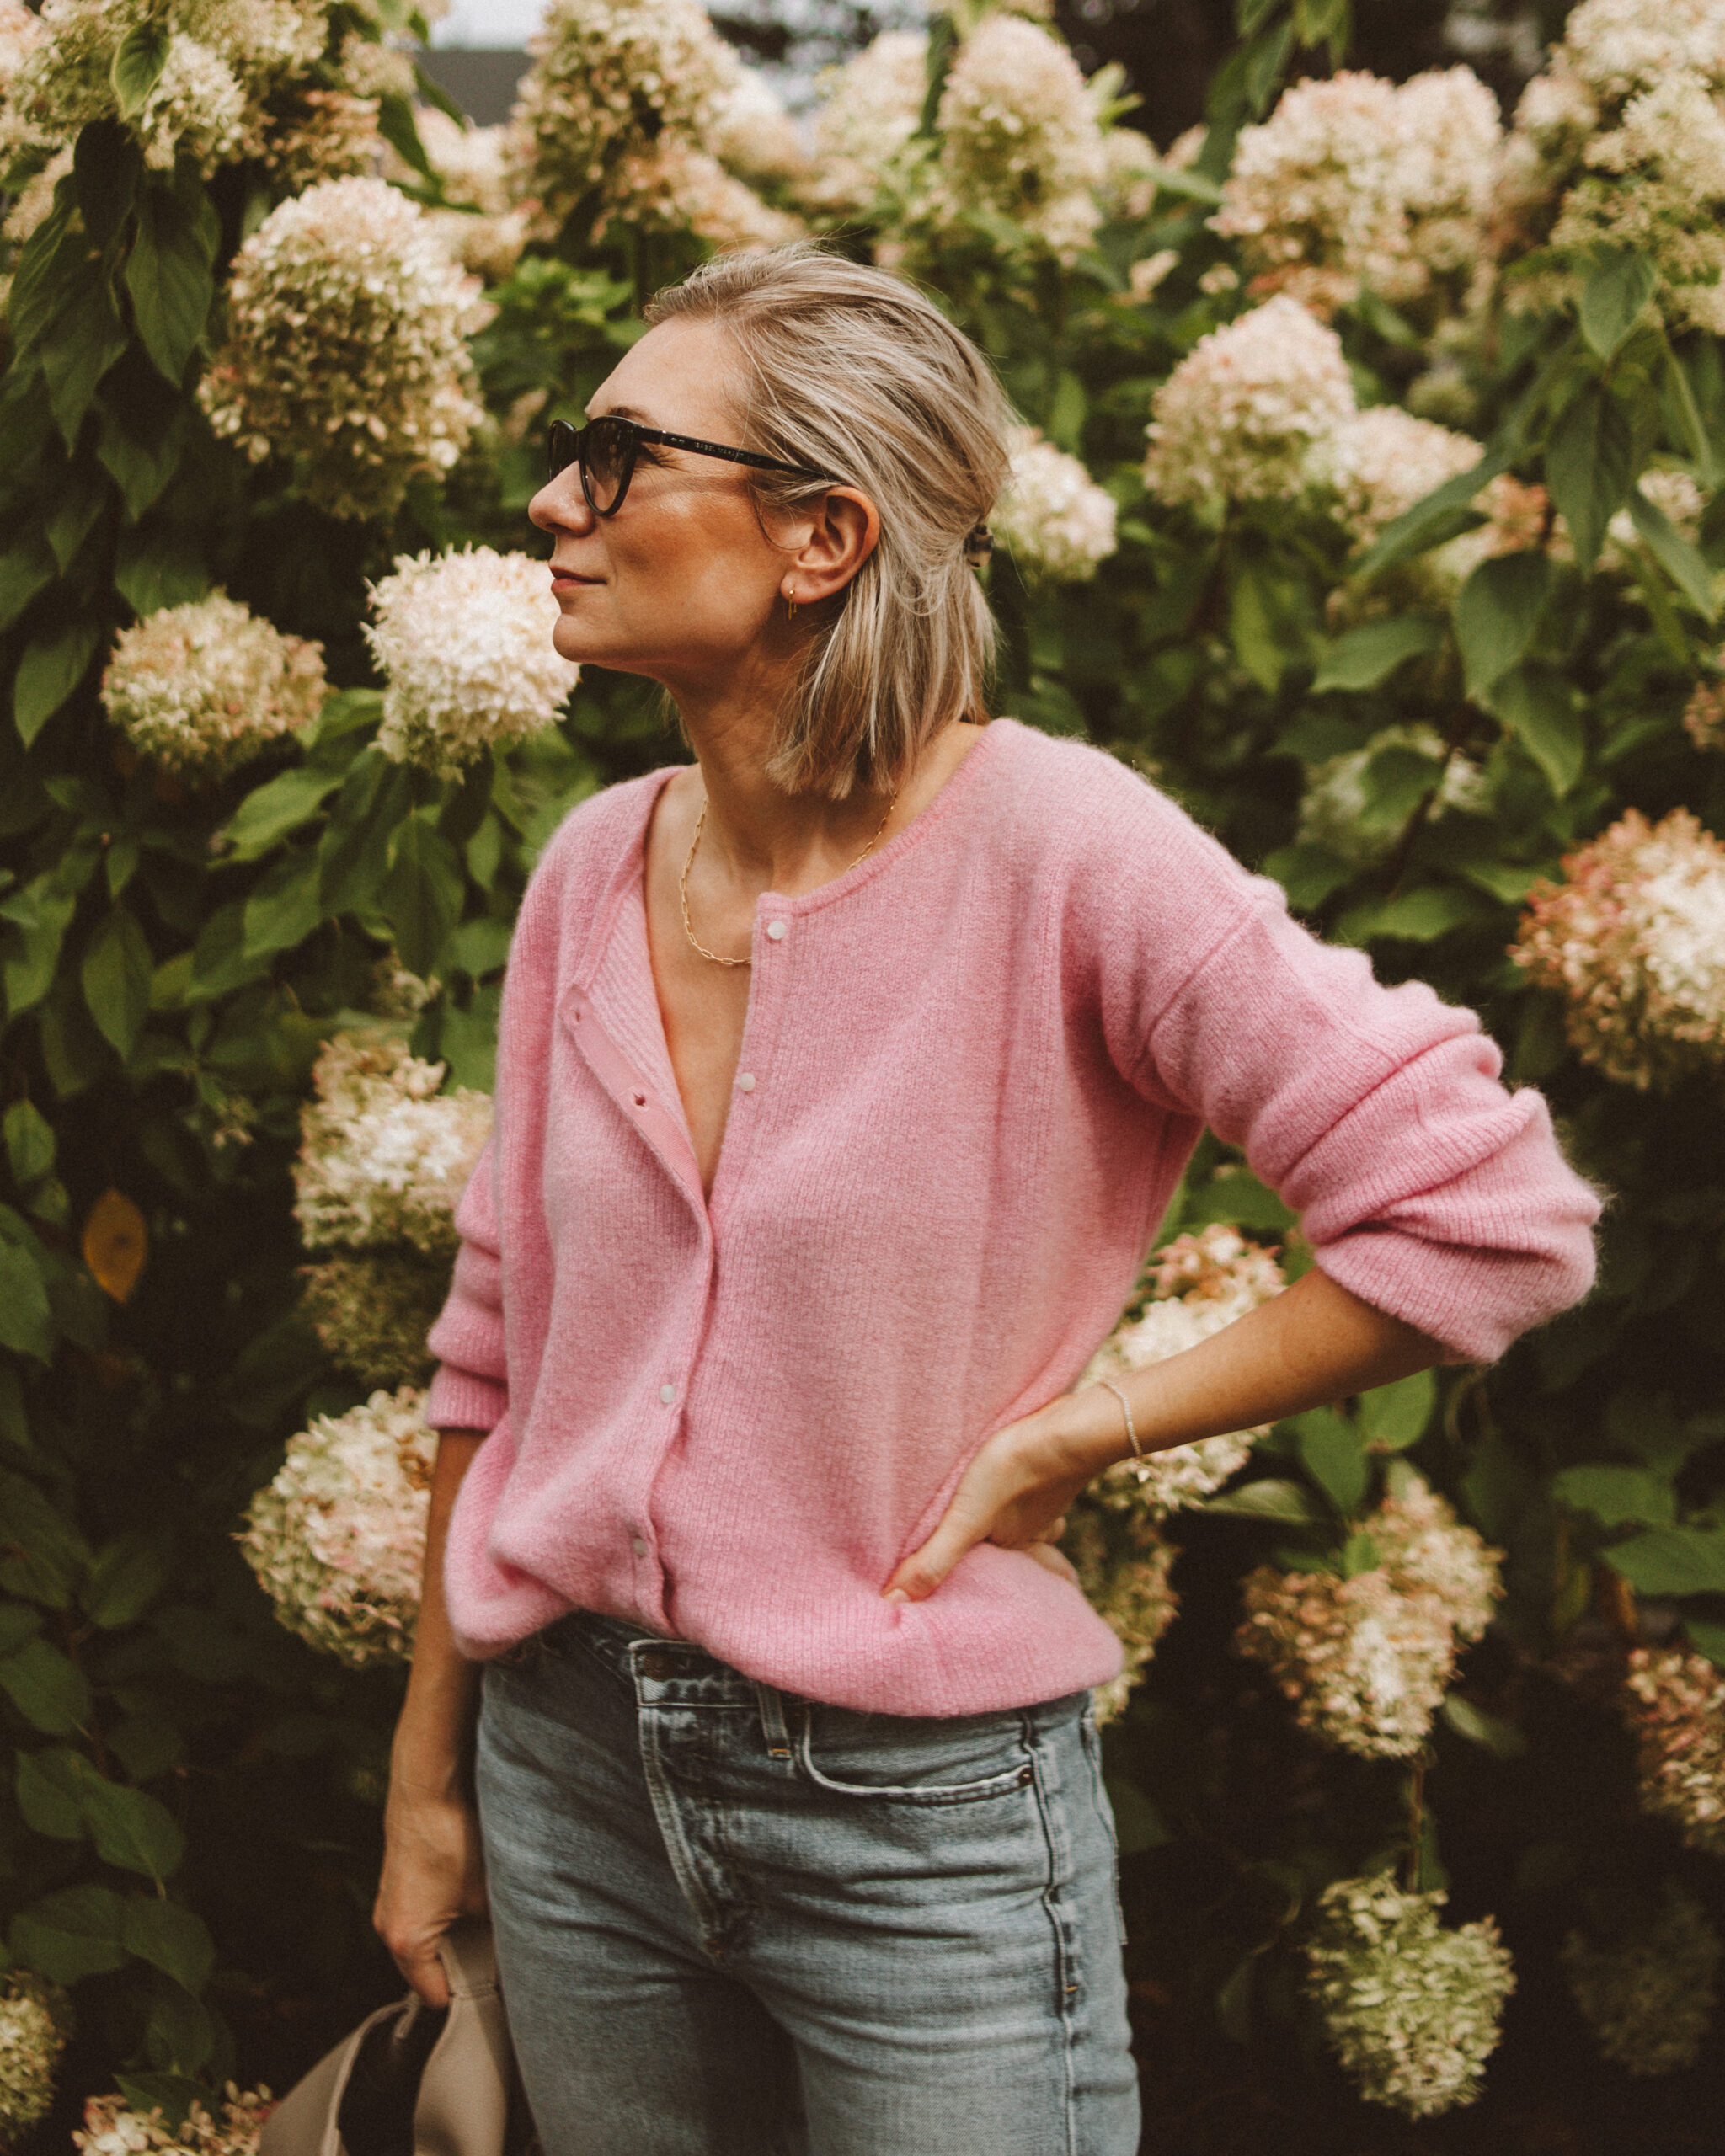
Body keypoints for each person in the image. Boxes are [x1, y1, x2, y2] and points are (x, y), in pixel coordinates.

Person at [373, 245, 1599, 2156]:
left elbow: (1487, 1211)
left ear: (820, 535)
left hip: (912, 1819)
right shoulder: (585, 868)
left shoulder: (1061, 850)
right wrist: (426, 1772)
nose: (552, 500)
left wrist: (1079, 1433)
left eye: (617, 453)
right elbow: (494, 1340)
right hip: (569, 1776)